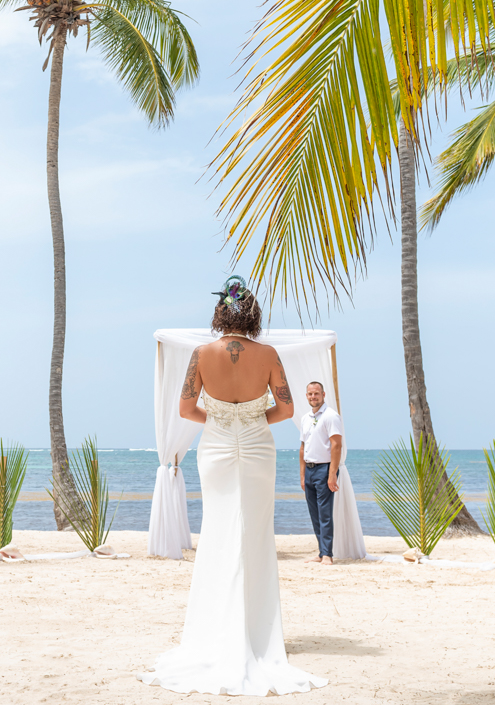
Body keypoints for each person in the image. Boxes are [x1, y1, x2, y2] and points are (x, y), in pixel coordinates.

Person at [139, 278, 328, 696]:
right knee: (255, 534)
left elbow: (186, 408)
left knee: (219, 530)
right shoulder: (269, 354)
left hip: (217, 447)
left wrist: (223, 420)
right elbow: (287, 409)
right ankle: (257, 634)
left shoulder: (201, 354)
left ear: (220, 313)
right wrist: (252, 420)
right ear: (253, 315)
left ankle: (214, 629)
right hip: (258, 447)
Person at [297, 381, 343, 565]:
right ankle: (321, 551)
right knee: (314, 514)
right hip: (309, 470)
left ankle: (327, 555)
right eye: (310, 394)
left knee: (324, 513)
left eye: (316, 393)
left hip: (324, 469)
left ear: (323, 394)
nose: (313, 397)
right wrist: (302, 475)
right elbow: (302, 447)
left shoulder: (331, 416)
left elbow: (336, 445)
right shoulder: (305, 418)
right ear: (306, 396)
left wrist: (332, 474)